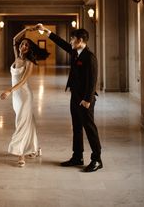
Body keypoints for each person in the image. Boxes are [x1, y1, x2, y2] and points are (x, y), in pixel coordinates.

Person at [36, 23, 102, 172]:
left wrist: (87, 99)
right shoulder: (75, 52)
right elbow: (62, 44)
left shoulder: (89, 57)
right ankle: (77, 156)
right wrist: (46, 32)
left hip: (85, 99)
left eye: (72, 39)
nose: (70, 41)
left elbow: (93, 80)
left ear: (80, 40)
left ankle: (97, 159)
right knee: (77, 128)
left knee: (90, 128)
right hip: (75, 96)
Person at [0, 26, 49, 167]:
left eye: (27, 45)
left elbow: (22, 81)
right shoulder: (16, 57)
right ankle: (34, 148)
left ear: (30, 49)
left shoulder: (29, 62)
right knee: (28, 122)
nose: (24, 45)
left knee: (21, 123)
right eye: (23, 44)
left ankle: (21, 154)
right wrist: (28, 29)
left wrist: (9, 90)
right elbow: (14, 39)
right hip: (16, 97)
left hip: (25, 95)